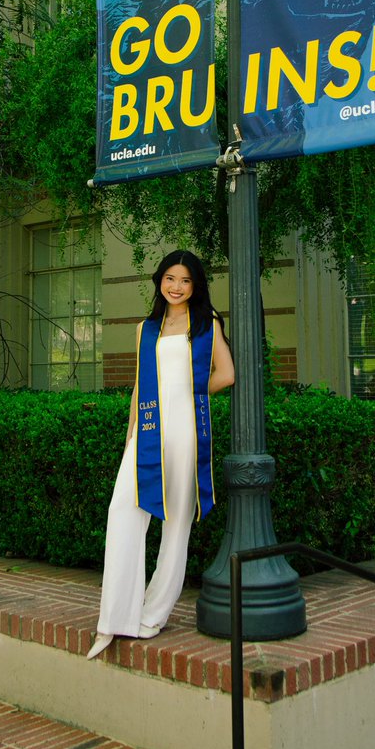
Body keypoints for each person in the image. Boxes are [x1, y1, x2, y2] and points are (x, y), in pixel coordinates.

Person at [87, 250, 235, 659]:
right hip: (148, 433)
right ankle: (114, 617)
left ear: (195, 286)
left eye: (184, 280)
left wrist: (188, 394)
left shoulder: (206, 324)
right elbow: (139, 386)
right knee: (123, 512)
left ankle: (152, 615)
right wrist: (131, 433)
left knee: (176, 525)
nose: (176, 286)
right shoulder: (146, 329)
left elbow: (227, 375)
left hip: (187, 432)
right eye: (170, 278)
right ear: (159, 280)